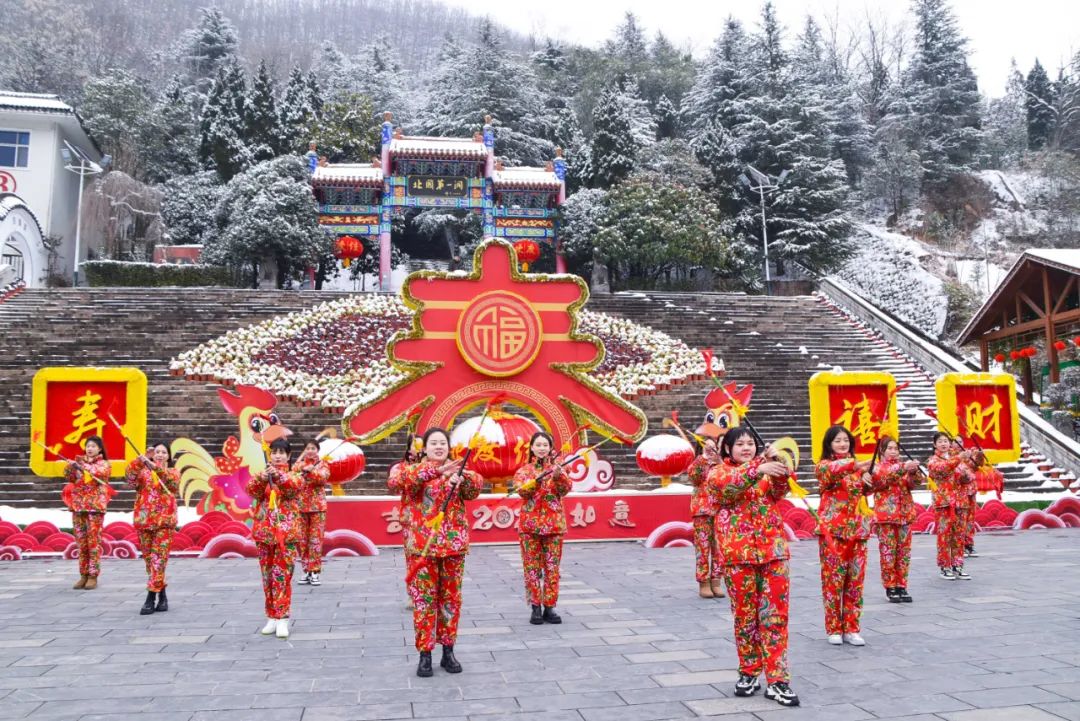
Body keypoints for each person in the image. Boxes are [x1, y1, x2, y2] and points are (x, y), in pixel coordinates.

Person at [708, 427, 799, 708]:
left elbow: (782, 490)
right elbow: (730, 487)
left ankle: (778, 679)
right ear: (727, 449)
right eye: (740, 444)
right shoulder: (718, 473)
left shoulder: (764, 471)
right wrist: (759, 467)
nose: (746, 448)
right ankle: (749, 672)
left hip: (773, 553)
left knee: (775, 618)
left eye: (750, 443)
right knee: (745, 618)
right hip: (739, 556)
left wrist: (779, 465)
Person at [403, 428, 482, 677]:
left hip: (452, 546)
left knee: (451, 599)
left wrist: (463, 479)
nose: (439, 447)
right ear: (424, 448)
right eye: (434, 443)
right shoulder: (414, 470)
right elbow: (401, 482)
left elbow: (475, 489)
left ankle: (448, 650)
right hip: (423, 547)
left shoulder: (459, 470)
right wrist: (437, 471)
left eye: (443, 443)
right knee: (424, 600)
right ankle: (425, 654)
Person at [815, 425, 879, 646]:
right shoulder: (824, 466)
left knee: (855, 581)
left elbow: (869, 490)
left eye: (846, 440)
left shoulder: (858, 468)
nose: (843, 444)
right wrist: (856, 466)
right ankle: (834, 627)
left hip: (857, 531)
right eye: (838, 441)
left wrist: (871, 479)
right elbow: (833, 471)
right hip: (833, 532)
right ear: (829, 444)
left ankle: (852, 627)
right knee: (833, 581)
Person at [512, 432, 572, 625]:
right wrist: (536, 481)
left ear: (550, 448)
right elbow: (522, 491)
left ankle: (550, 607)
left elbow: (565, 489)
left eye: (545, 445)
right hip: (530, 527)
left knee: (552, 568)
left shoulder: (558, 469)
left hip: (554, 526)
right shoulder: (524, 471)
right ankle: (535, 607)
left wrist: (559, 477)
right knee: (531, 568)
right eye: (538, 445)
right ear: (531, 447)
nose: (541, 448)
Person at [246, 438, 302, 638]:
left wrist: (278, 475)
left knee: (282, 576)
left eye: (281, 452)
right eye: (274, 452)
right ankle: (271, 615)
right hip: (264, 533)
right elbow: (251, 490)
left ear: (288, 455)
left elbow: (293, 488)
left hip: (286, 535)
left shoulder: (294, 475)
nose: (278, 456)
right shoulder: (263, 475)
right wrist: (262, 478)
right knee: (267, 576)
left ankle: (282, 617)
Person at [125, 442, 180, 614]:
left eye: (164, 452)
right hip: (144, 520)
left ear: (169, 456)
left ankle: (150, 597)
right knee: (150, 561)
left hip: (164, 521)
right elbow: (130, 479)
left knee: (159, 559)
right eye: (157, 452)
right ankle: (162, 595)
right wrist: (139, 461)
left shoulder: (172, 472)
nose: (160, 455)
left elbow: (172, 484)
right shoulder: (143, 473)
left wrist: (155, 467)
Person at [870, 436, 920, 603]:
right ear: (882, 451)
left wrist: (913, 473)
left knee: (904, 553)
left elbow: (914, 484)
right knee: (888, 552)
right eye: (889, 448)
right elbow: (883, 480)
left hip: (905, 515)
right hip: (886, 517)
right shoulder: (877, 468)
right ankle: (890, 586)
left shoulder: (903, 466)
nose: (893, 452)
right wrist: (903, 468)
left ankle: (901, 585)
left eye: (895, 449)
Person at [65, 435, 113, 590]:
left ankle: (93, 575)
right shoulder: (80, 462)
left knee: (93, 543)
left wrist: (81, 465)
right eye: (88, 446)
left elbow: (97, 473)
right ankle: (83, 575)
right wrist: (71, 467)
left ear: (99, 449)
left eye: (93, 446)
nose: (90, 448)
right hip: (78, 507)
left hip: (94, 508)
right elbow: (70, 478)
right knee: (81, 543)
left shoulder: (104, 464)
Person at [927, 433, 976, 580]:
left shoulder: (957, 460)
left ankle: (958, 565)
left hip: (960, 502)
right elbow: (943, 469)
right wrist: (959, 459)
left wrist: (967, 474)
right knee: (944, 536)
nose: (943, 444)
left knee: (959, 535)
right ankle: (945, 566)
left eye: (946, 441)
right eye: (940, 441)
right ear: (935, 445)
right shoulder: (933, 461)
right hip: (944, 503)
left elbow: (968, 477)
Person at [687, 437, 725, 599]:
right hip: (702, 511)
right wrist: (704, 458)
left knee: (719, 548)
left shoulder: (723, 464)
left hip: (721, 511)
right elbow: (694, 477)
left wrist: (719, 461)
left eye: (713, 445)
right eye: (707, 445)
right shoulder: (698, 463)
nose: (711, 448)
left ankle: (716, 581)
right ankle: (703, 582)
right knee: (702, 549)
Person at [294, 440, 330, 586]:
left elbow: (323, 478)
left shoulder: (323, 465)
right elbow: (293, 479)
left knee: (315, 540)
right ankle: (305, 570)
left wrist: (313, 471)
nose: (310, 451)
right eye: (308, 448)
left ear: (317, 450)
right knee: (303, 540)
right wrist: (303, 471)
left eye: (313, 448)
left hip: (317, 508)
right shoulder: (298, 465)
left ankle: (314, 571)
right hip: (301, 507)